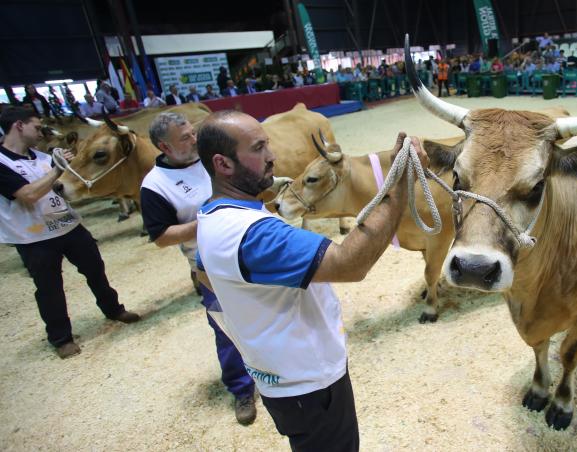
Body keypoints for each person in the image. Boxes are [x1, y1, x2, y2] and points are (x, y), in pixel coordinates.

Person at [194, 110, 428, 450]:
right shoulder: (255, 236)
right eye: (258, 148)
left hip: (280, 378)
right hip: (309, 384)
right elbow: (350, 265)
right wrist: (399, 184)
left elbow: (204, 273)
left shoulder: (213, 214)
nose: (272, 156)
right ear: (223, 164)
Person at [141, 112, 257, 425]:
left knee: (271, 307)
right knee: (226, 325)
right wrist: (211, 220)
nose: (194, 140)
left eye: (193, 133)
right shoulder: (155, 185)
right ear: (164, 147)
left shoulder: (210, 157)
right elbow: (162, 236)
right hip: (210, 265)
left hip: (252, 247)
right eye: (185, 138)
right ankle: (241, 388)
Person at [0, 107, 140, 359]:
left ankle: (114, 310)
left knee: (96, 269)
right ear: (19, 126)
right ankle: (61, 338)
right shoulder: (3, 162)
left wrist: (71, 164)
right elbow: (28, 195)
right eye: (36, 126)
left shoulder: (42, 157)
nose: (41, 132)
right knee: (49, 287)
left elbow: (71, 183)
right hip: (34, 238)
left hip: (68, 226)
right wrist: (57, 169)